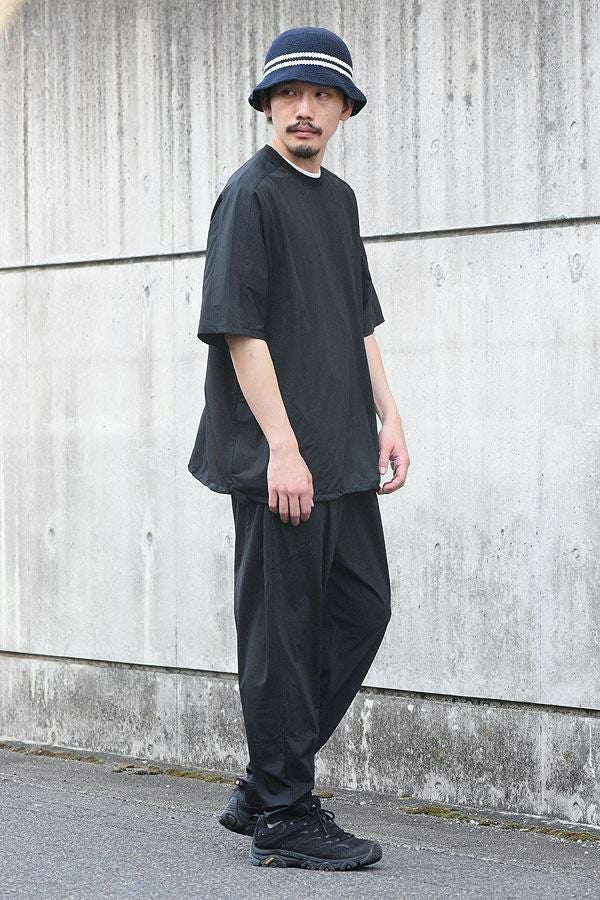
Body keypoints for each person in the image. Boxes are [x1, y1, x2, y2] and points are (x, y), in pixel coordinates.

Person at [188, 25, 410, 871]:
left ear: (345, 109)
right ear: (268, 106)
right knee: (281, 632)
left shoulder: (338, 200)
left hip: (342, 448)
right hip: (281, 457)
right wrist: (282, 447)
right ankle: (284, 812)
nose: (304, 108)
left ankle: (266, 781)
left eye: (321, 95)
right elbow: (239, 330)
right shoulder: (251, 196)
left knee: (362, 608)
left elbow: (360, 320)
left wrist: (389, 415)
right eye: (289, 94)